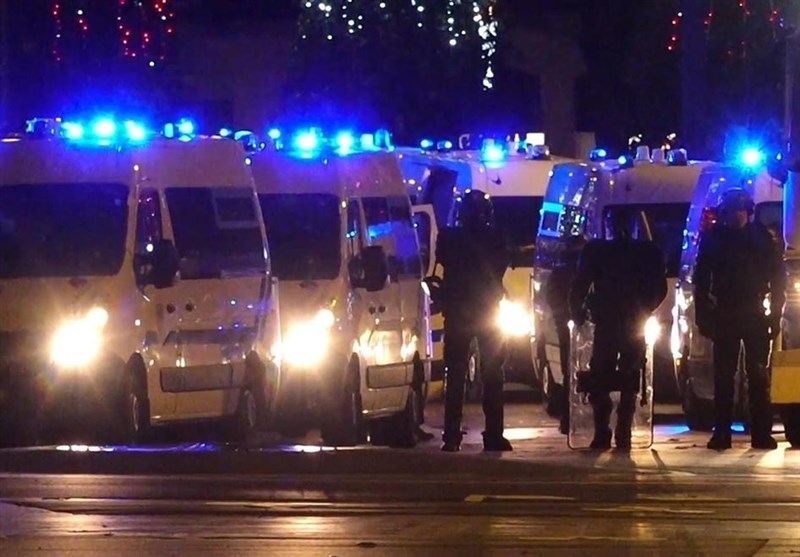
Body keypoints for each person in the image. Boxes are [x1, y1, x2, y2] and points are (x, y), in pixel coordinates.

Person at [694, 188, 785, 451]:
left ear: (746, 211)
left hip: (753, 311)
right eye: (730, 211)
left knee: (757, 375)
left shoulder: (761, 239)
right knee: (724, 377)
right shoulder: (715, 239)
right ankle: (722, 433)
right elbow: (702, 281)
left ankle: (760, 433)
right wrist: (703, 315)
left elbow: (778, 279)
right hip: (727, 311)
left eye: (738, 210)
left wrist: (775, 315)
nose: (734, 216)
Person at [569, 208, 667, 450]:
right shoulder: (635, 251)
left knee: (626, 376)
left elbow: (579, 286)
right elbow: (580, 285)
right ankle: (609, 430)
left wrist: (578, 312)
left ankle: (618, 429)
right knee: (609, 375)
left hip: (622, 321)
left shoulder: (635, 252)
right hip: (615, 321)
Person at [436, 190, 512, 452]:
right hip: (487, 310)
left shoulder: (448, 237)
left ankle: (451, 435)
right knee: (493, 375)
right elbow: (501, 265)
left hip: (458, 310)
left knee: (456, 374)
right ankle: (493, 435)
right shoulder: (495, 237)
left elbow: (443, 261)